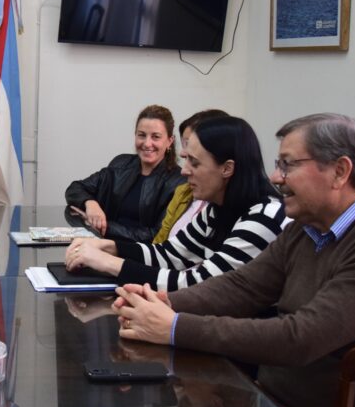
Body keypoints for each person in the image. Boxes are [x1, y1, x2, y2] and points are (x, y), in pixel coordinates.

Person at [112, 113, 355, 407]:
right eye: (278, 165)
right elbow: (242, 286)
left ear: (340, 171)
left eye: (288, 165)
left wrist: (175, 327)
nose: (276, 177)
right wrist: (161, 304)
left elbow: (299, 338)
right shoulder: (308, 226)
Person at [65, 116, 288, 291]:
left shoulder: (263, 217)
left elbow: (198, 284)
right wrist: (110, 247)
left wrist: (108, 262)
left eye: (194, 162)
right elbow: (170, 255)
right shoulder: (216, 209)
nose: (184, 170)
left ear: (227, 168)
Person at [65, 104, 184, 242]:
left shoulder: (179, 181)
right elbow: (74, 189)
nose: (147, 143)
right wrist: (90, 203)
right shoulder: (120, 164)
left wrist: (105, 227)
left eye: (155, 137)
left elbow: (156, 234)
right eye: (142, 135)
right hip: (101, 246)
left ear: (170, 141)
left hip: (137, 257)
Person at [152, 109, 229, 243]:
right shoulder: (183, 192)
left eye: (190, 143)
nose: (183, 152)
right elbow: (162, 246)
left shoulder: (231, 209)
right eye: (184, 144)